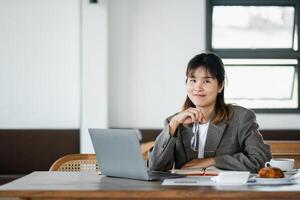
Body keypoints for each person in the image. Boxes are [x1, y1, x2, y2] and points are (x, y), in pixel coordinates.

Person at [148, 52, 272, 173]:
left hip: (225, 191)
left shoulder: (241, 117)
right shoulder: (174, 121)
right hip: (186, 191)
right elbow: (155, 167)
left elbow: (261, 160)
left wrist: (214, 161)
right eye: (193, 80)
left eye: (206, 81)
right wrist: (173, 125)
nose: (198, 87)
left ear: (220, 86)